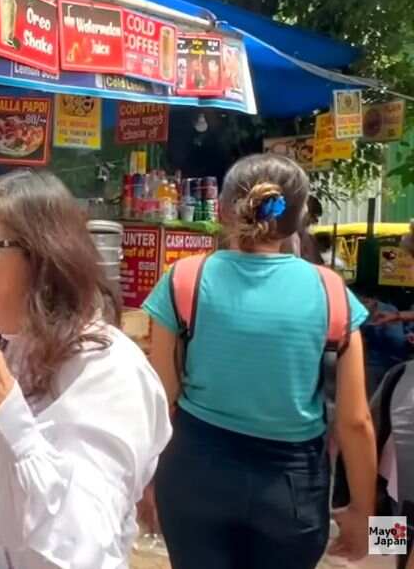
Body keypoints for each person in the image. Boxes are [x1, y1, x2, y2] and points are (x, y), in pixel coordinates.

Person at [0, 170, 171, 567]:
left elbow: (76, 548)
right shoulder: (15, 350)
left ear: (43, 256)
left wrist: (8, 415)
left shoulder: (107, 370)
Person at [143, 154, 376, 567]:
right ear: (301, 215)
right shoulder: (331, 293)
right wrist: (363, 510)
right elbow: (354, 422)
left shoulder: (185, 279)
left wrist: (145, 483)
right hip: (291, 487)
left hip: (194, 472)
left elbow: (160, 399)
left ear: (223, 209)